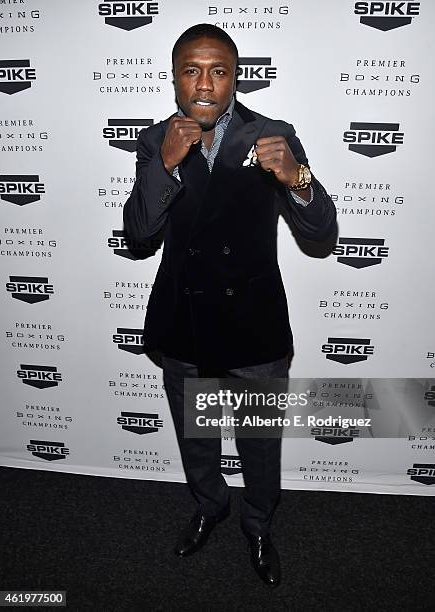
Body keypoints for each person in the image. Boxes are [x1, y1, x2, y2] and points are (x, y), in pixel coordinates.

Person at [123, 23, 336, 587]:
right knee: (196, 436)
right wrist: (166, 165)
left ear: (236, 77)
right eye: (191, 70)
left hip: (253, 325)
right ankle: (210, 505)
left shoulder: (273, 134)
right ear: (174, 77)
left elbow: (322, 228)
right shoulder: (156, 139)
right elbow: (139, 233)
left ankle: (259, 523)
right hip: (185, 322)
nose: (205, 84)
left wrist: (296, 177)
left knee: (260, 444)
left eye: (218, 71)